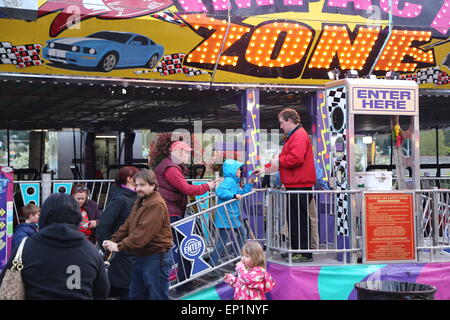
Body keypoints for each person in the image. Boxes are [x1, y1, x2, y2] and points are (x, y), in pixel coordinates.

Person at [0, 193, 110, 299]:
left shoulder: (25, 247)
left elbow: (5, 282)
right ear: (77, 218)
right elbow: (102, 291)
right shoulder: (91, 251)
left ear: (44, 217)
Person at [154, 140, 218, 291]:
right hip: (171, 212)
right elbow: (186, 189)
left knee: (181, 247)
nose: (189, 156)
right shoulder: (171, 169)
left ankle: (183, 282)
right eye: (187, 152)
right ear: (178, 152)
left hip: (170, 211)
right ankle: (183, 283)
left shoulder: (170, 166)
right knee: (183, 248)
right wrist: (208, 186)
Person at [255, 108, 316, 262]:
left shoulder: (299, 136)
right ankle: (299, 251)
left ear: (290, 121)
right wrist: (265, 168)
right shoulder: (296, 136)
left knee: (299, 219)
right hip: (296, 184)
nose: (281, 126)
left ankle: (303, 252)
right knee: (295, 219)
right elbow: (285, 159)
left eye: (282, 122)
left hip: (299, 185)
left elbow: (295, 158)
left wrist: (277, 162)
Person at [103, 169, 173, 300]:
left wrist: (119, 246)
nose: (138, 188)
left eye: (142, 185)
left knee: (157, 296)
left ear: (152, 185)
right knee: (136, 294)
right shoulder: (140, 201)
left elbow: (143, 233)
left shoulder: (156, 204)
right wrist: (113, 240)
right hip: (143, 255)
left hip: (157, 256)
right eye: (137, 185)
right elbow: (128, 224)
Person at [97, 166, 140, 300]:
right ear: (129, 179)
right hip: (122, 254)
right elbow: (103, 225)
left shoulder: (133, 198)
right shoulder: (120, 199)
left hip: (131, 252)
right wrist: (109, 248)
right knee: (126, 291)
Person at [210, 159, 254, 265]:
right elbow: (219, 190)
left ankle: (238, 258)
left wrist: (249, 184)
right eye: (238, 169)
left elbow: (241, 193)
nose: (240, 171)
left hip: (232, 215)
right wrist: (233, 196)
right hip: (226, 217)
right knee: (222, 242)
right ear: (232, 170)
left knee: (241, 234)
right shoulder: (229, 181)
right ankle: (212, 263)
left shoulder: (234, 182)